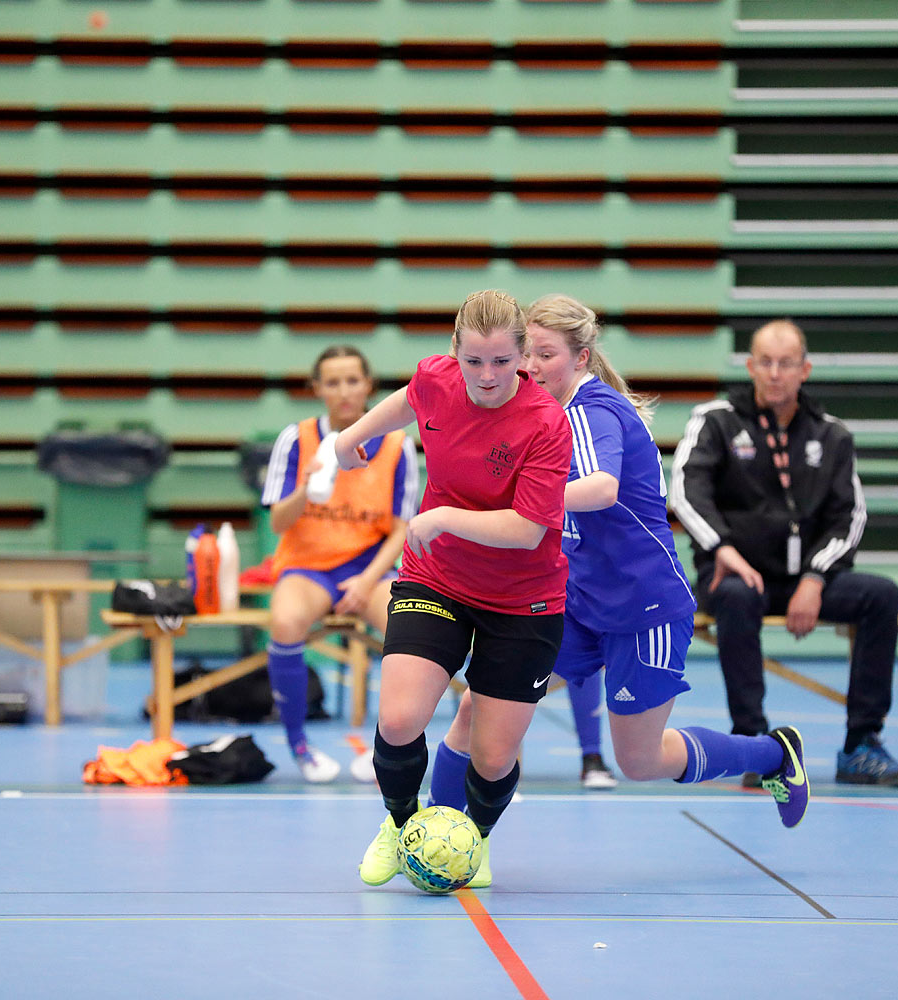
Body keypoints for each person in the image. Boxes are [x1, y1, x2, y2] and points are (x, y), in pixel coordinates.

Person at [427, 294, 807, 836]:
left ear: (580, 358)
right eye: (526, 354)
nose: (530, 367)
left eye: (546, 354)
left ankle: (771, 755)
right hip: (579, 603)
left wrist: (519, 503)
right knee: (477, 708)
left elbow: (601, 488)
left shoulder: (592, 411)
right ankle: (435, 832)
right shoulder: (542, 413)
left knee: (639, 760)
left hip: (642, 607)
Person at [333, 289, 570, 890]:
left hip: (524, 599)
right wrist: (352, 436)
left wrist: (441, 518)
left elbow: (525, 529)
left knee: (492, 757)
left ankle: (478, 839)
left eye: (499, 361)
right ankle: (399, 825)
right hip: (436, 576)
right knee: (400, 717)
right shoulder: (438, 379)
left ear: (522, 356)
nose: (486, 376)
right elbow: (411, 400)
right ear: (454, 354)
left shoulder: (546, 422)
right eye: (473, 361)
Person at [669, 319, 898, 787]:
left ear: (804, 370)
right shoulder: (716, 420)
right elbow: (685, 491)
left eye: (786, 364)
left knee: (880, 595)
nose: (775, 373)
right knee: (736, 596)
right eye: (765, 362)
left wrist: (816, 576)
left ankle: (861, 745)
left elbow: (850, 517)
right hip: (736, 574)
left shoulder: (832, 435)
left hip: (806, 578)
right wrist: (723, 548)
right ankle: (754, 745)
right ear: (750, 366)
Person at [260, 346, 418, 782]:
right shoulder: (296, 439)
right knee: (286, 621)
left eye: (352, 380)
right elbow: (277, 520)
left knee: (409, 629)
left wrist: (366, 584)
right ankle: (300, 747)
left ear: (368, 385)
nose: (344, 391)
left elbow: (401, 529)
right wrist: (305, 487)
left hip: (372, 567)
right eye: (332, 382)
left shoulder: (397, 444)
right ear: (317, 389)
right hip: (308, 566)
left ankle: (389, 748)